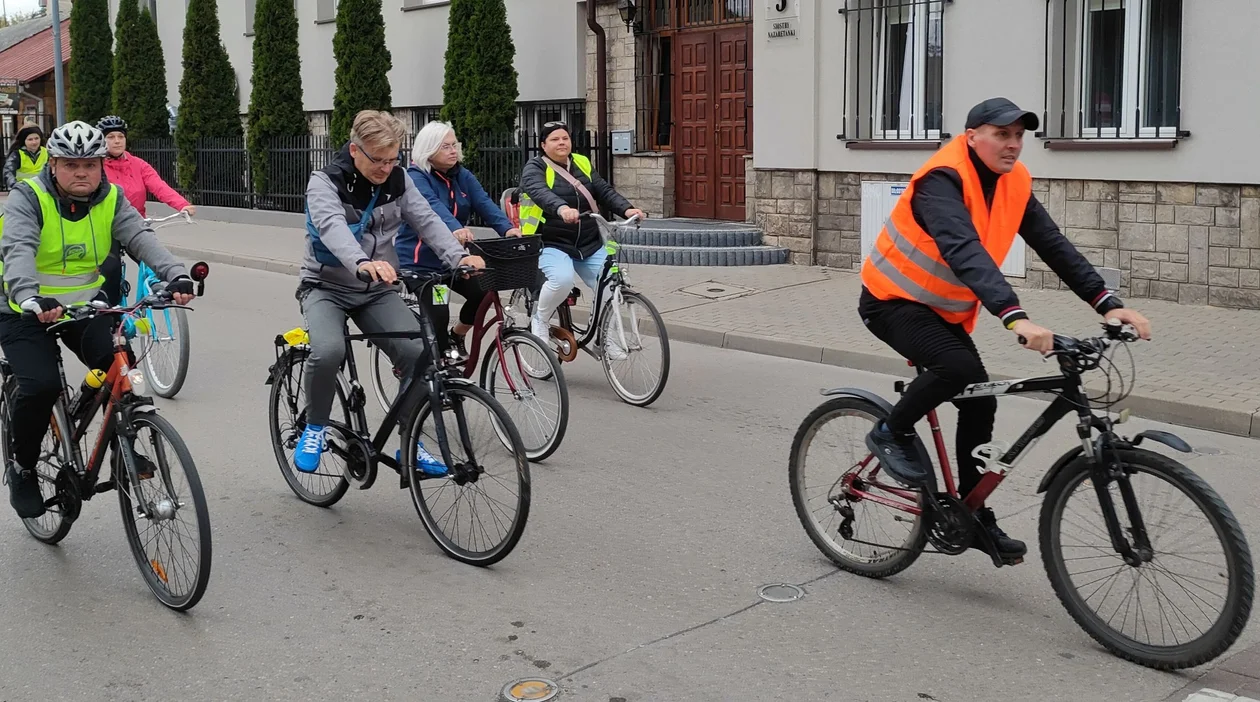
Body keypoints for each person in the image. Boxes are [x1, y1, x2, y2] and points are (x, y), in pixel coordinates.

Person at [858, 98, 1152, 561]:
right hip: (892, 301)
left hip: (942, 311)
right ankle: (891, 431)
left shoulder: (1014, 182)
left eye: (1019, 136)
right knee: (955, 367)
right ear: (972, 136)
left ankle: (972, 516)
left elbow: (1053, 245)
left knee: (980, 395)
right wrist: (1014, 316)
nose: (1013, 144)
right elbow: (963, 249)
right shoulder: (942, 179)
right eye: (1002, 134)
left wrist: (1108, 303)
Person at [0, 121, 196, 519]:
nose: (81, 173)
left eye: (90, 164)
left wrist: (175, 274)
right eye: (71, 165)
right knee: (41, 386)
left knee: (119, 368)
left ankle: (125, 445)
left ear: (101, 165)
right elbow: (18, 246)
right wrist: (28, 294)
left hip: (84, 306)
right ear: (53, 164)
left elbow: (141, 238)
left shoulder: (112, 198)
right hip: (24, 309)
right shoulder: (29, 196)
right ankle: (22, 467)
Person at [296, 110, 484, 474]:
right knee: (329, 349)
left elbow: (427, 220)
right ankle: (315, 426)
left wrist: (459, 257)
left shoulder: (399, 180)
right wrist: (361, 262)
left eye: (392, 158)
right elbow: (332, 228)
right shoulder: (325, 182)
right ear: (355, 150)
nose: (386, 167)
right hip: (326, 285)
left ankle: (408, 443)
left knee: (420, 353)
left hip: (376, 289)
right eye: (377, 159)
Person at [518, 122, 645, 359]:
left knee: (611, 286)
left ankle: (604, 339)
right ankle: (540, 319)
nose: (561, 143)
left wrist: (627, 210)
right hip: (551, 241)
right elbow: (539, 192)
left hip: (588, 242)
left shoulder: (582, 162)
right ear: (543, 145)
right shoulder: (534, 167)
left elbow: (603, 190)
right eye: (555, 139)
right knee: (562, 280)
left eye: (565, 138)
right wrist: (561, 208)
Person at [396, 121, 521, 360]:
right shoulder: (416, 177)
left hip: (454, 259)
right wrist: (455, 229)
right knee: (438, 312)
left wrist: (507, 229)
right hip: (423, 264)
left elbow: (484, 203)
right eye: (446, 146)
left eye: (455, 145)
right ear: (429, 150)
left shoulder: (461, 175)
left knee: (484, 292)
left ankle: (457, 334)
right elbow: (432, 209)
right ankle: (436, 370)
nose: (453, 150)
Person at [95, 115, 196, 305]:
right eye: (111, 137)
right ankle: (112, 313)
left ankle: (158, 292)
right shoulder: (97, 167)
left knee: (153, 263)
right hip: (107, 228)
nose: (117, 141)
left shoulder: (138, 164)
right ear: (101, 141)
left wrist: (182, 204)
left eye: (120, 136)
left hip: (135, 226)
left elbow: (159, 186)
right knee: (110, 268)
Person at [3, 124, 48, 190]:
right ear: (24, 141)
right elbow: (8, 171)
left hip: (42, 190)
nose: (34, 142)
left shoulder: (47, 153)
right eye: (30, 139)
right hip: (23, 190)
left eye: (36, 138)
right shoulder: (17, 155)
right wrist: (14, 185)